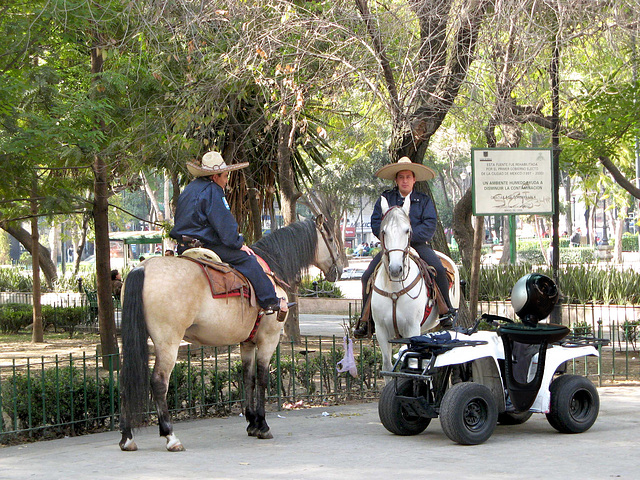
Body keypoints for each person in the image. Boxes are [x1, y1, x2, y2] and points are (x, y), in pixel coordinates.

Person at [170, 150, 287, 315]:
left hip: (183, 247)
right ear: (214, 176)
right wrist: (238, 244)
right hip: (206, 247)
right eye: (225, 176)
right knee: (248, 260)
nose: (226, 181)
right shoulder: (213, 190)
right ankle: (270, 302)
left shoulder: (189, 189)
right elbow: (224, 225)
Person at [353, 157, 455, 338]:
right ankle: (366, 319)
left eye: (408, 177)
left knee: (438, 269)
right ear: (396, 180)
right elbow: (377, 223)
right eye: (401, 177)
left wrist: (407, 235)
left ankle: (445, 311)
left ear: (414, 180)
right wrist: (392, 238)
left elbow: (430, 225)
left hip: (416, 245)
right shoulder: (386, 198)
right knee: (367, 276)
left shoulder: (423, 200)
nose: (405, 180)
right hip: (391, 248)